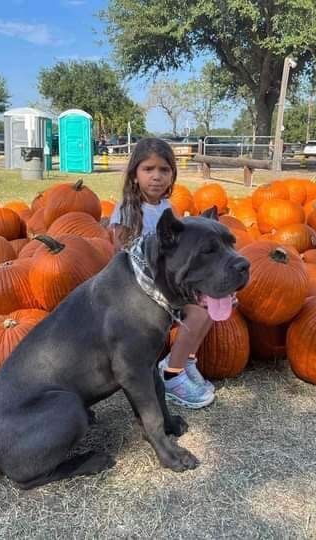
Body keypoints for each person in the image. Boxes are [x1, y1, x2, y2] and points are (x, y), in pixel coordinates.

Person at [109, 137, 216, 409]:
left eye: (164, 170)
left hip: (166, 283)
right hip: (138, 290)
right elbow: (122, 257)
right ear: (135, 174)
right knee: (198, 313)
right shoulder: (126, 210)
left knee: (209, 307)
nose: (156, 177)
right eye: (148, 169)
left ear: (172, 175)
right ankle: (171, 375)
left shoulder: (168, 209)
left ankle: (185, 360)